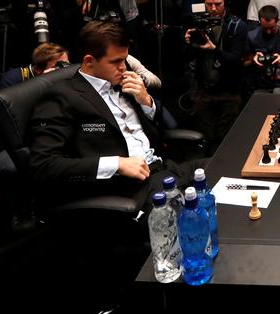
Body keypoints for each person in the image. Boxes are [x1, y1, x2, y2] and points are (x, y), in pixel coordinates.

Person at [28, 21, 197, 210]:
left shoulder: (123, 82)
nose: (124, 67)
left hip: (163, 167)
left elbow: (160, 131)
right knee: (193, 217)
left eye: (124, 59)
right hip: (127, 187)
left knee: (224, 169)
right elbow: (43, 165)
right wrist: (116, 164)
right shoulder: (61, 96)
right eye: (116, 61)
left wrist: (146, 101)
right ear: (89, 61)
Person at [184, 0, 248, 154]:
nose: (213, 8)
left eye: (218, 4)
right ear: (201, 0)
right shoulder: (195, 20)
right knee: (205, 141)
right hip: (203, 90)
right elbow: (186, 58)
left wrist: (215, 50)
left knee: (227, 141)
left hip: (229, 91)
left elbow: (236, 60)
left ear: (225, 0)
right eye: (208, 3)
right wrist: (188, 42)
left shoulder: (236, 26)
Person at [244, 5, 280, 94]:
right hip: (261, 85)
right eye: (265, 28)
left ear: (277, 21)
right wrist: (253, 59)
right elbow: (244, 62)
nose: (268, 32)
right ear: (260, 22)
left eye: (272, 28)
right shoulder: (252, 36)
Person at [0, 42, 69, 90]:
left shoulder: (67, 78)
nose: (64, 69)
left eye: (66, 64)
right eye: (58, 66)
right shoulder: (12, 80)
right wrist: (42, 84)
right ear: (38, 69)